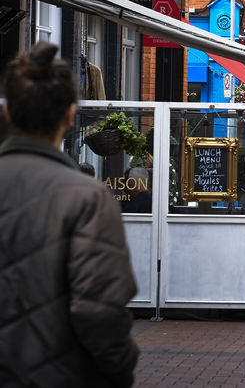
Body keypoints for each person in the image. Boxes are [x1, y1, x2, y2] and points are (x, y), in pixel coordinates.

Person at [0, 42, 138, 386]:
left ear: (8, 113)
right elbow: (101, 310)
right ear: (69, 115)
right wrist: (118, 371)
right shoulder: (87, 198)